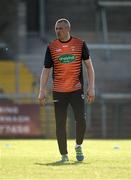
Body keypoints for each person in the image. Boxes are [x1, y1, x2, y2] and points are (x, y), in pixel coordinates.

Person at [38, 18, 95, 163]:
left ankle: (78, 145)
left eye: (61, 28)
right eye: (56, 28)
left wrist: (91, 87)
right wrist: (42, 90)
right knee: (60, 123)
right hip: (59, 91)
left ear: (68, 29)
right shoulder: (51, 47)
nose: (58, 31)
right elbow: (46, 70)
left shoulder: (80, 44)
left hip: (76, 90)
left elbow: (89, 66)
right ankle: (64, 155)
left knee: (81, 120)